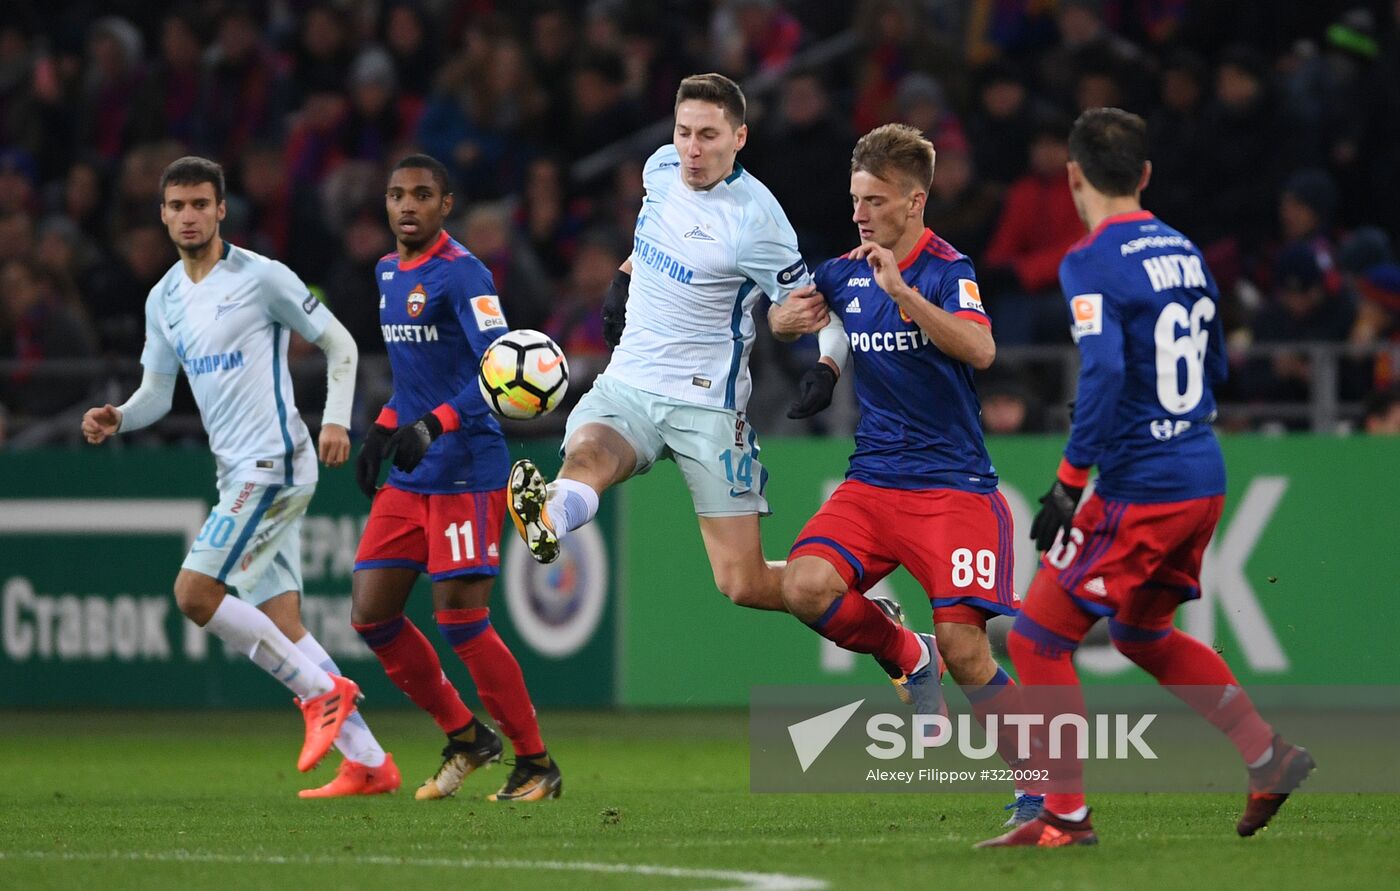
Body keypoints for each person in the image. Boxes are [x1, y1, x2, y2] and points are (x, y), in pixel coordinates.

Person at [978, 109, 1314, 848]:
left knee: (1036, 639)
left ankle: (1064, 816)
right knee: (1140, 631)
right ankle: (1267, 756)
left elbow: (1104, 366)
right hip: (1201, 469)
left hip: (1144, 485)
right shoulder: (1186, 250)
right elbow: (1215, 362)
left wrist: (1070, 481)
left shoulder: (1089, 258)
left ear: (1073, 176)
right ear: (1146, 174)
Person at [80, 156, 393, 798]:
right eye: (177, 206)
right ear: (163, 214)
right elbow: (158, 393)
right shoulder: (164, 298)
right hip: (237, 472)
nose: (189, 216)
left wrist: (336, 420)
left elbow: (340, 344)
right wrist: (121, 417)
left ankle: (320, 695)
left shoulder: (262, 277)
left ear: (221, 210)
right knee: (283, 623)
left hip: (275, 461)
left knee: (194, 594)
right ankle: (368, 761)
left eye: (201, 204)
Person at [769, 123, 1036, 825]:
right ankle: (907, 652)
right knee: (803, 585)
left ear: (915, 202)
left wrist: (904, 295)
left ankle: (1043, 791)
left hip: (952, 487)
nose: (861, 213)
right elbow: (790, 316)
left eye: (876, 200)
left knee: (968, 651)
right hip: (874, 480)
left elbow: (980, 349)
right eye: (856, 198)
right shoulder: (844, 270)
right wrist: (788, 324)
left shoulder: (949, 269)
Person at [505, 73, 845, 615]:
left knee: (744, 583)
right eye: (684, 132)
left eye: (708, 135)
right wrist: (623, 277)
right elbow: (657, 236)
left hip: (705, 405)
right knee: (589, 454)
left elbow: (811, 313)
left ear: (739, 137)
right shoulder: (660, 167)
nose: (692, 149)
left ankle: (884, 629)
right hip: (629, 383)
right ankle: (550, 516)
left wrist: (825, 365)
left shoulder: (758, 223)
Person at [350, 154, 561, 803]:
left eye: (422, 194)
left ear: (445, 205)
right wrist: (384, 426)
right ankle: (467, 736)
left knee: (461, 621)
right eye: (396, 194)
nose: (407, 205)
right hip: (413, 471)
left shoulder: (464, 272)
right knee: (372, 615)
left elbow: (498, 369)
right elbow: (415, 378)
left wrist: (435, 424)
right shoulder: (387, 272)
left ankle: (536, 762)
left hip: (466, 467)